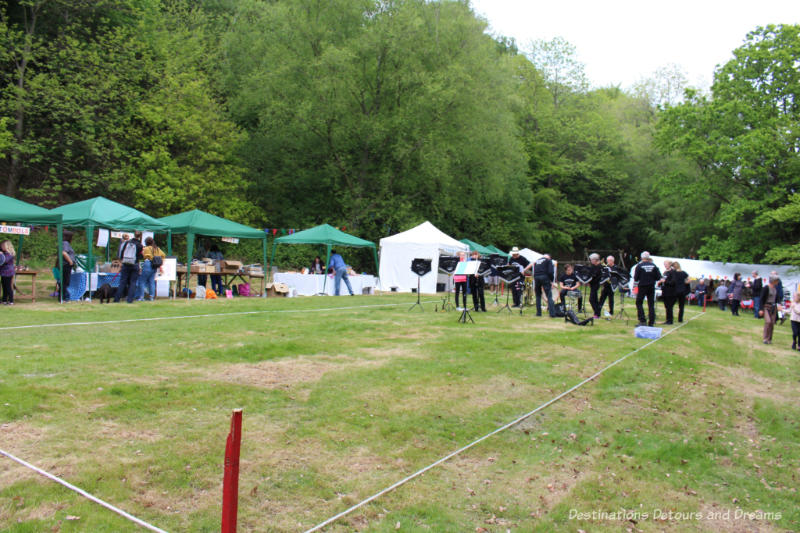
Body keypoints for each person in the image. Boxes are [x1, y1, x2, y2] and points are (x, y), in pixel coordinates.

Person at [633, 251, 661, 327]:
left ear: (641, 257)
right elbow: (658, 277)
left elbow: (636, 278)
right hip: (651, 286)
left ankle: (642, 320)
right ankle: (651, 321)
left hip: (642, 286)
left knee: (639, 302)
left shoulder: (639, 266)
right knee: (651, 304)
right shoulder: (654, 266)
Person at [114, 233, 142, 303]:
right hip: (135, 264)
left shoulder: (126, 243)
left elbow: (121, 254)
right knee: (133, 282)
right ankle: (130, 300)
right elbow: (141, 256)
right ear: (140, 236)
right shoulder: (140, 245)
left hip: (125, 264)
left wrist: (121, 261)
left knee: (123, 282)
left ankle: (117, 299)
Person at [759, 274, 781, 344]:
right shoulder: (766, 288)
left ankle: (769, 339)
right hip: (766, 306)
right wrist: (761, 309)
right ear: (773, 281)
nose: (778, 282)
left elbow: (777, 299)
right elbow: (761, 299)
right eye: (777, 281)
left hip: (773, 307)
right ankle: (765, 338)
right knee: (768, 322)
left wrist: (779, 305)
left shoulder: (775, 289)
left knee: (772, 323)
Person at [58, 230, 77, 302]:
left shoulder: (63, 243)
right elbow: (64, 253)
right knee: (65, 282)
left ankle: (62, 297)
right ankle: (64, 297)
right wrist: (70, 261)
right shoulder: (65, 243)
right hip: (66, 265)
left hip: (64, 265)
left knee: (64, 281)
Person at [587, 253, 604, 318]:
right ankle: (597, 313)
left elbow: (596, 277)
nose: (591, 261)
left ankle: (597, 313)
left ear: (595, 260)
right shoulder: (593, 266)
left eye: (591, 260)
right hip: (592, 284)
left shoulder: (600, 267)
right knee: (595, 299)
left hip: (596, 284)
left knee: (591, 299)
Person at [660, 260, 676, 324]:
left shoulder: (673, 272)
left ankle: (670, 320)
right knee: (666, 306)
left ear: (670, 264)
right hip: (665, 291)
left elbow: (673, 282)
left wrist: (665, 282)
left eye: (666, 264)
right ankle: (667, 319)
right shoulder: (665, 272)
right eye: (664, 264)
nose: (665, 266)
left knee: (669, 306)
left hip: (670, 292)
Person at [0, 240, 16, 305]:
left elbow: (5, 260)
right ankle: (4, 300)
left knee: (8, 287)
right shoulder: (4, 253)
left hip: (8, 272)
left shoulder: (10, 254)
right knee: (4, 286)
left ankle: (11, 300)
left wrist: (1, 254)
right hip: (3, 272)